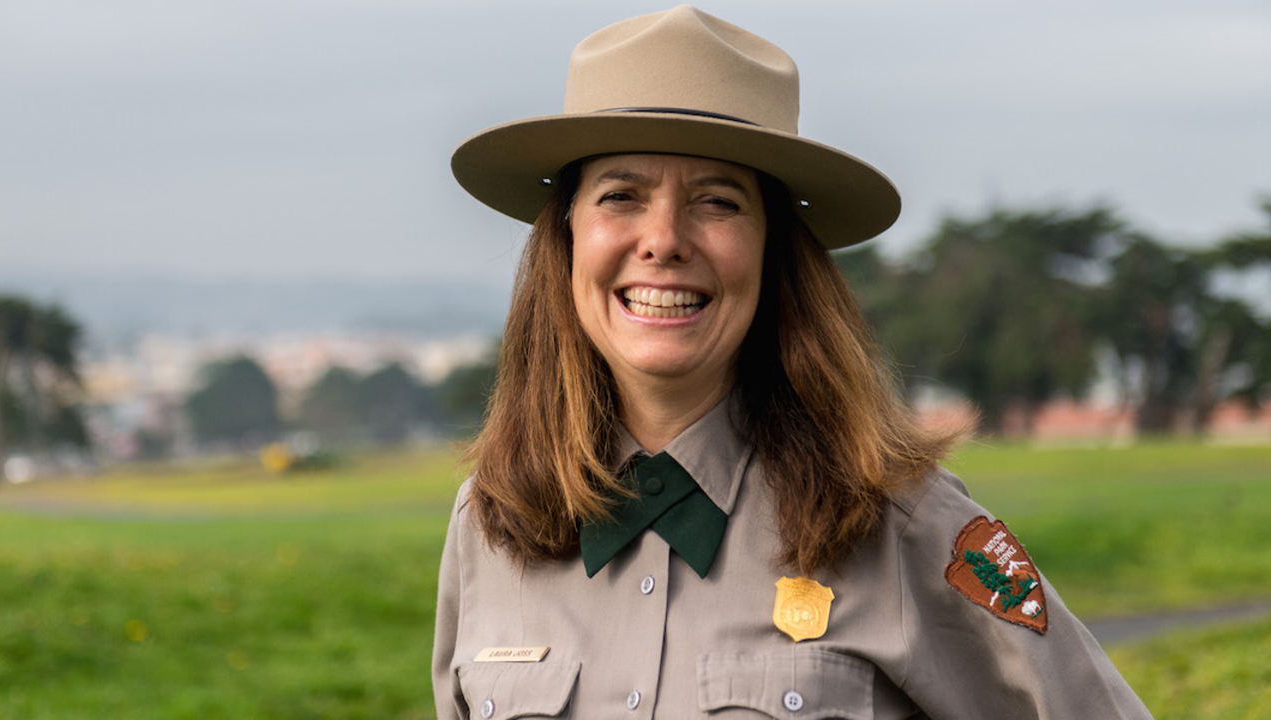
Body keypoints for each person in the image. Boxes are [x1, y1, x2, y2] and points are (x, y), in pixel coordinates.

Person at [433, 6, 1153, 719]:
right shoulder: (489, 522)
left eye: (717, 202)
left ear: (775, 249)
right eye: (620, 195)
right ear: (565, 238)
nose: (663, 240)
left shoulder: (899, 519)